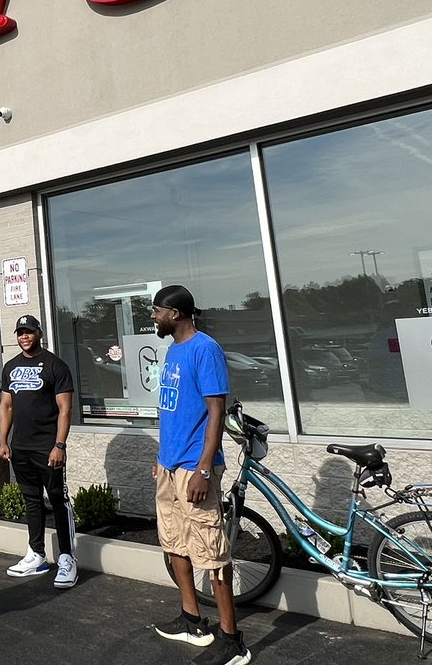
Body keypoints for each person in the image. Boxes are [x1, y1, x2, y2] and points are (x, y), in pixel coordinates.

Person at [149, 285, 250, 665]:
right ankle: (192, 620)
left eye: (157, 311)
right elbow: (173, 411)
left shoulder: (205, 349)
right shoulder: (173, 350)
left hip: (195, 466)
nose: (153, 317)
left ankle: (232, 639)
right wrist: (162, 457)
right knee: (174, 542)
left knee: (211, 551)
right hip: (170, 465)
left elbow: (215, 412)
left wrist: (204, 469)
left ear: (175, 313)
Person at [0, 314, 77, 589]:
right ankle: (37, 554)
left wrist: (59, 444)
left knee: (58, 500)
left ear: (39, 334)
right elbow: (6, 406)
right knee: (31, 500)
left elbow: (65, 409)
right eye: (20, 332)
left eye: (29, 332)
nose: (24, 336)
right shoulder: (10, 367)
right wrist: (3, 441)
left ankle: (67, 558)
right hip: (21, 447)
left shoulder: (56, 366)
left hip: (48, 448)